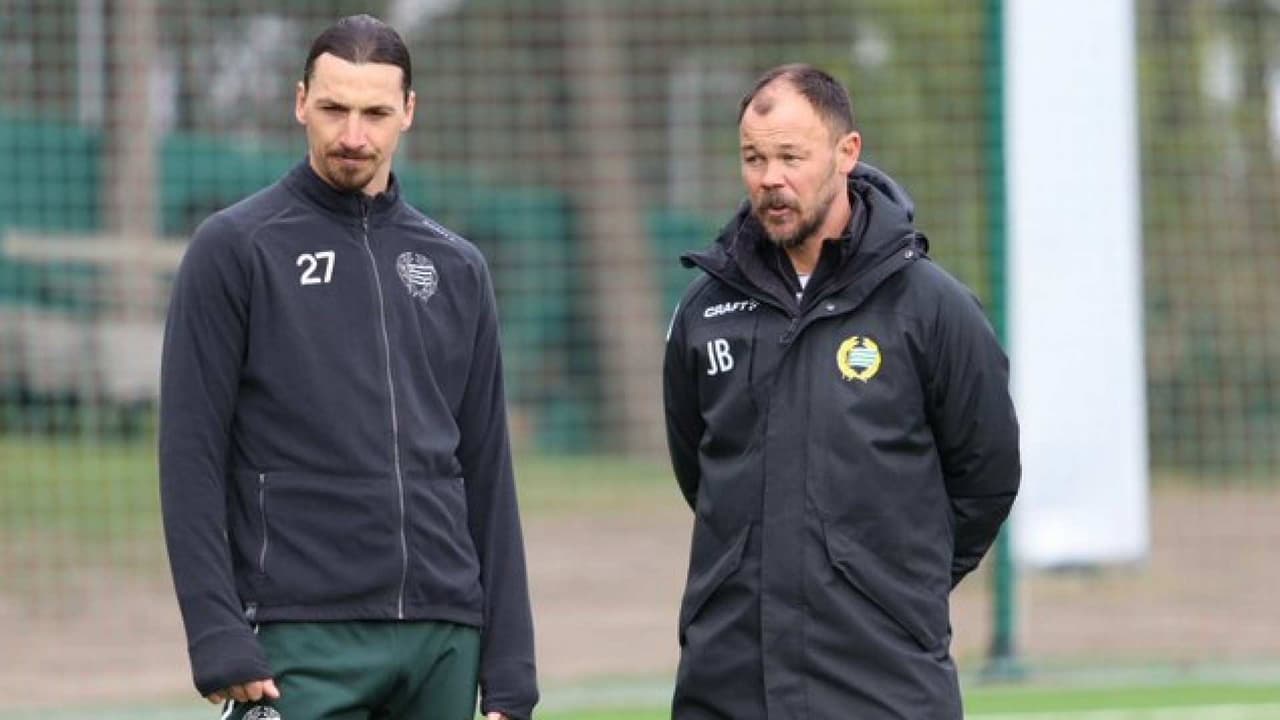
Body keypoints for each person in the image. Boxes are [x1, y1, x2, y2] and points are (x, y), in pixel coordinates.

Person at [159, 14, 537, 720]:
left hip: (442, 635)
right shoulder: (235, 248)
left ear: (409, 112)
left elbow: (488, 468)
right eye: (334, 109)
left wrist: (511, 664)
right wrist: (215, 630)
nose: (353, 136)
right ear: (301, 101)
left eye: (375, 114)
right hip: (299, 635)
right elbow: (189, 453)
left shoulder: (458, 267)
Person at [662, 64, 1021, 719]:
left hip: (884, 684)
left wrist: (890, 583)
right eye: (754, 158)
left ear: (846, 152)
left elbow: (987, 478)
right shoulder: (704, 310)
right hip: (729, 683)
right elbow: (700, 471)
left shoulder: (931, 307)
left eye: (790, 157)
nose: (770, 178)